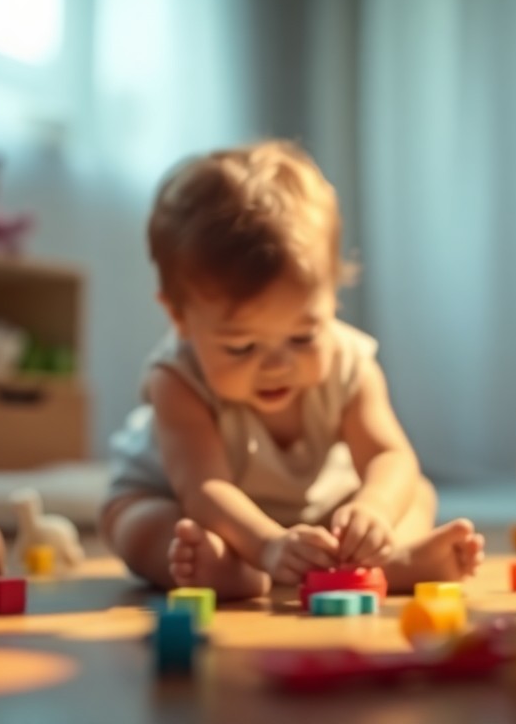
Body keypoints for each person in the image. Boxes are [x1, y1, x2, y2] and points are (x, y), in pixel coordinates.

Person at [101, 140, 484, 600]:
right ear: (180, 318)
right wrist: (265, 545)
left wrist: (373, 511)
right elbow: (204, 489)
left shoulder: (350, 364)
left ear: (331, 297)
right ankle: (231, 572)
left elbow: (391, 456)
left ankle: (389, 559)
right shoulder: (177, 380)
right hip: (200, 512)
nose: (277, 365)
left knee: (415, 492)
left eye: (302, 337)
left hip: (314, 520)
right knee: (137, 523)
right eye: (241, 346)